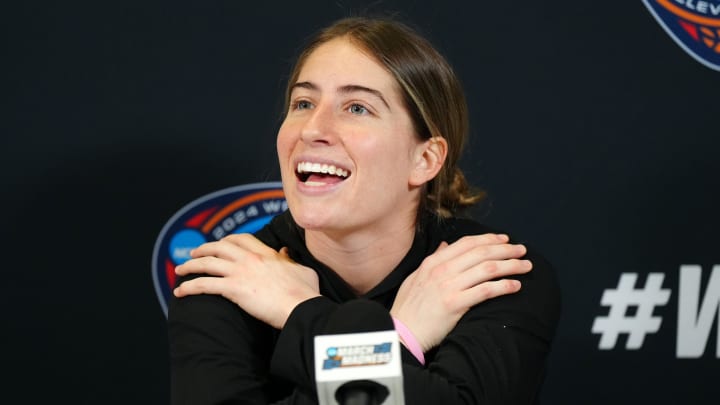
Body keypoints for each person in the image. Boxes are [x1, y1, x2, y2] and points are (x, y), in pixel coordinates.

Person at [168, 15, 561, 405]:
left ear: (424, 159)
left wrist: (298, 310)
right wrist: (403, 333)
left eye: (356, 108)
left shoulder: (491, 274)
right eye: (303, 103)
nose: (311, 129)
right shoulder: (228, 278)